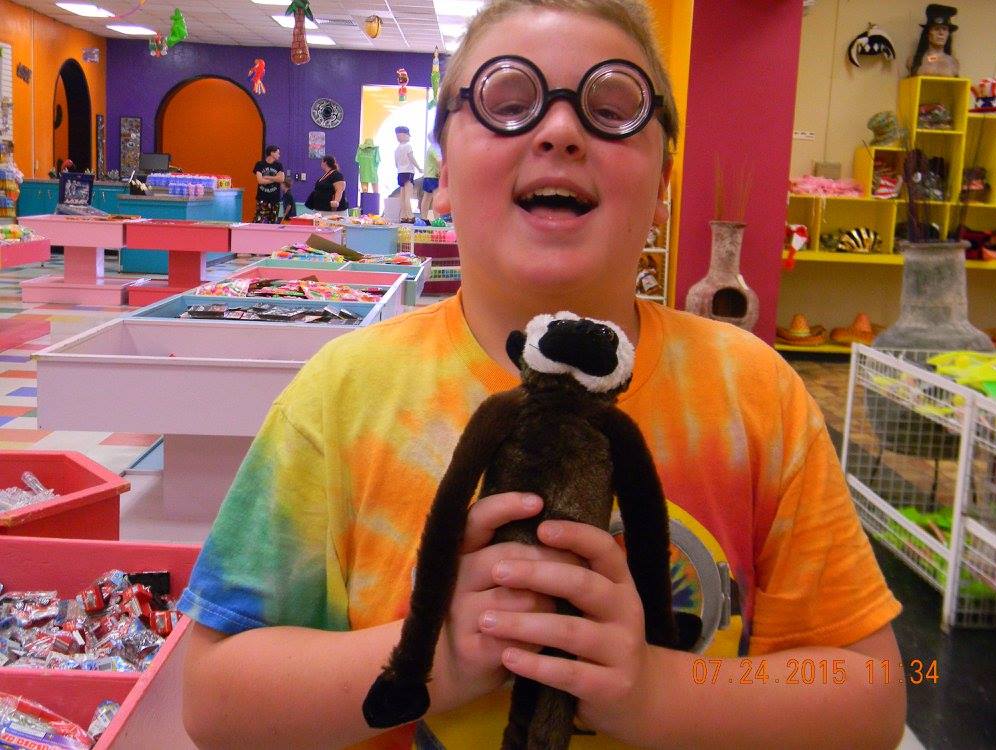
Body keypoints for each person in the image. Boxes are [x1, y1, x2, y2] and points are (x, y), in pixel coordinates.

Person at [181, 1, 907, 748]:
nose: (560, 130)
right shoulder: (343, 393)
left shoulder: (753, 392)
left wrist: (658, 693)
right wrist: (436, 655)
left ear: (663, 187)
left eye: (613, 107)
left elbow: (875, 695)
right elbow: (213, 700)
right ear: (442, 179)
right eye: (508, 101)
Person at [908, 4, 959, 77]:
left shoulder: (953, 63)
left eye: (944, 29)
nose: (941, 33)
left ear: (948, 34)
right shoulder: (913, 60)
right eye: (936, 29)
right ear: (928, 33)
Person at [394, 125, 421, 221]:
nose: (409, 137)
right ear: (403, 135)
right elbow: (411, 158)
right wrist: (419, 168)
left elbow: (396, 163)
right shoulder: (408, 146)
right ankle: (410, 216)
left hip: (400, 172)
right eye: (408, 135)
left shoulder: (397, 149)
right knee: (408, 195)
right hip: (408, 172)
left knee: (402, 195)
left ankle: (403, 216)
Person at [252, 145, 284, 223]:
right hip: (262, 198)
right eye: (277, 153)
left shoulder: (279, 165)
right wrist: (275, 179)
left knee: (273, 222)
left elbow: (281, 179)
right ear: (272, 153)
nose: (279, 155)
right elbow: (260, 181)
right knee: (258, 220)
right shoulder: (260, 164)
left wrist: (268, 177)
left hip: (275, 199)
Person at [419, 143, 441, 221]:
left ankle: (424, 218)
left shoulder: (431, 147)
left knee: (427, 197)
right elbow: (439, 161)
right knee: (436, 197)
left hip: (427, 176)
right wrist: (441, 172)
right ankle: (437, 219)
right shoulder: (435, 148)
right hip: (433, 176)